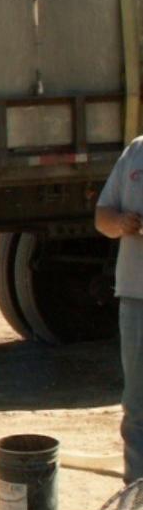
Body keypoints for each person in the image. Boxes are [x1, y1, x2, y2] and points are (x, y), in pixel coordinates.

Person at [94, 134, 143, 483]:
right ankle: (137, 496)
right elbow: (102, 216)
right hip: (136, 297)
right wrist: (121, 223)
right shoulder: (136, 152)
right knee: (138, 405)